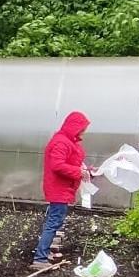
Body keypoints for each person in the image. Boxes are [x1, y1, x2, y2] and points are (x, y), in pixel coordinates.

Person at [35, 112, 90, 267]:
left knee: (56, 221)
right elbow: (57, 165)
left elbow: (73, 162)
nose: (83, 132)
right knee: (53, 222)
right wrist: (79, 172)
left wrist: (88, 170)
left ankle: (45, 252)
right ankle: (40, 258)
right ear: (74, 127)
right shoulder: (61, 142)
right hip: (59, 188)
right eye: (82, 128)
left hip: (63, 188)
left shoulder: (67, 141)